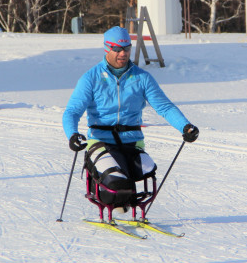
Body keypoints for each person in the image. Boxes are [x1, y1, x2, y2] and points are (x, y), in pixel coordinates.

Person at [62, 26, 199, 212]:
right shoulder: (91, 78)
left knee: (148, 170)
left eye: (126, 49)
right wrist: (72, 135)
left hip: (132, 143)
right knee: (117, 182)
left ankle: (126, 199)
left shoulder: (142, 77)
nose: (123, 54)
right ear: (107, 48)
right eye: (117, 49)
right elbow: (72, 111)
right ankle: (107, 195)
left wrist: (185, 126)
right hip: (101, 141)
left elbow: (165, 107)